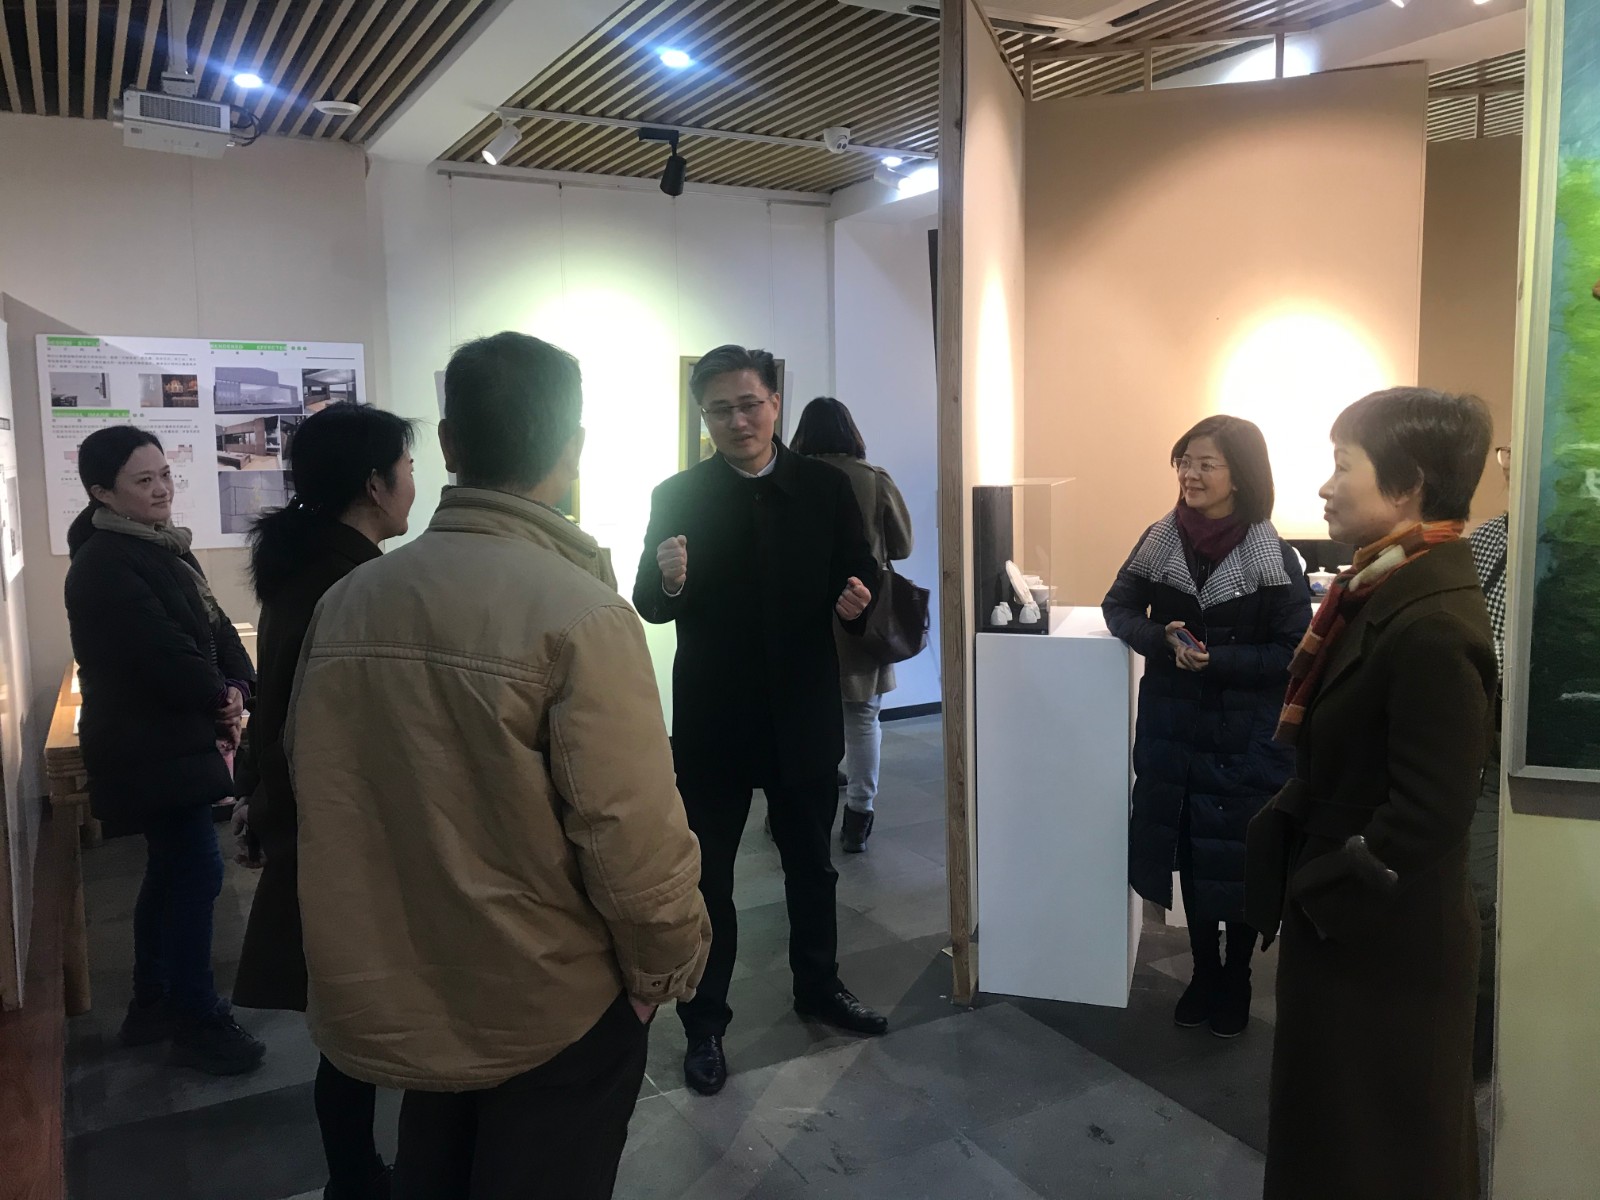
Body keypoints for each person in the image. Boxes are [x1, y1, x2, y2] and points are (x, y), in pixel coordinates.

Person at [287, 333, 710, 1200]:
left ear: (448, 444)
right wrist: (661, 975)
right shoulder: (583, 614)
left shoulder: (348, 602)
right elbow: (630, 831)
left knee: (433, 1169)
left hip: (406, 981)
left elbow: (319, 784)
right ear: (573, 446)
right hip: (553, 999)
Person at [1245, 387, 1496, 1200]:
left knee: (1380, 1146)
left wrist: (1324, 894)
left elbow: (1430, 811)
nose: (1325, 487)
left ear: (1408, 482)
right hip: (1362, 929)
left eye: (1341, 464)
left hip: (1384, 942)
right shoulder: (1384, 588)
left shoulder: (1431, 622)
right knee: (1344, 1133)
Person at [634, 345, 885, 1098]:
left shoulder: (823, 487)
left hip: (803, 710)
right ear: (703, 417)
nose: (737, 421)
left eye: (749, 404)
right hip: (714, 718)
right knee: (708, 877)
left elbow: (860, 570)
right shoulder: (679, 494)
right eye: (720, 410)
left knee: (812, 864)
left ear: (775, 403)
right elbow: (648, 600)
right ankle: (705, 1024)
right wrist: (667, 580)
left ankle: (820, 985)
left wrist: (858, 599)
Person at [232, 403, 417, 1200]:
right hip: (347, 828)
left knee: (349, 1019)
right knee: (358, 1020)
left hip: (315, 819)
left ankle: (357, 1171)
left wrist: (255, 792)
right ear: (375, 484)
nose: (413, 483)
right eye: (407, 468)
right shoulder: (354, 582)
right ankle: (359, 1176)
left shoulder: (306, 565)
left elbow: (273, 699)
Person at [63, 426, 264, 1076]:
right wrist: (218, 696)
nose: (161, 490)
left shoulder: (165, 547)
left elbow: (216, 627)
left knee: (174, 870)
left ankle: (153, 1003)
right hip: (146, 743)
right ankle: (195, 1017)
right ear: (102, 491)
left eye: (164, 476)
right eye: (143, 480)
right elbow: (159, 651)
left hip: (173, 738)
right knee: (196, 872)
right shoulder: (103, 562)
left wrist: (238, 686)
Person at [1102, 415, 1310, 1039]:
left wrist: (1219, 659)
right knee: (1191, 850)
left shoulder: (1273, 553)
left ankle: (1237, 975)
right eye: (1184, 462)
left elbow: (1293, 650)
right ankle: (1203, 970)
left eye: (1205, 464)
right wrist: (1160, 638)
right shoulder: (1161, 538)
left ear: (1239, 475)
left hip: (1244, 733)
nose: (1190, 475)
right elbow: (1118, 608)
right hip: (1175, 724)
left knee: (1239, 855)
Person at [789, 396, 914, 853]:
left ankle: (792, 806)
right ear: (851, 432)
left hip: (798, 612)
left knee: (801, 714)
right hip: (861, 607)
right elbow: (903, 546)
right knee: (863, 717)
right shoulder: (872, 479)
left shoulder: (791, 477)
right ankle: (859, 815)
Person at [1466, 441, 1511, 1080]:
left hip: (1559, 745)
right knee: (1480, 896)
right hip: (1483, 738)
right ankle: (1479, 1039)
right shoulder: (1485, 541)